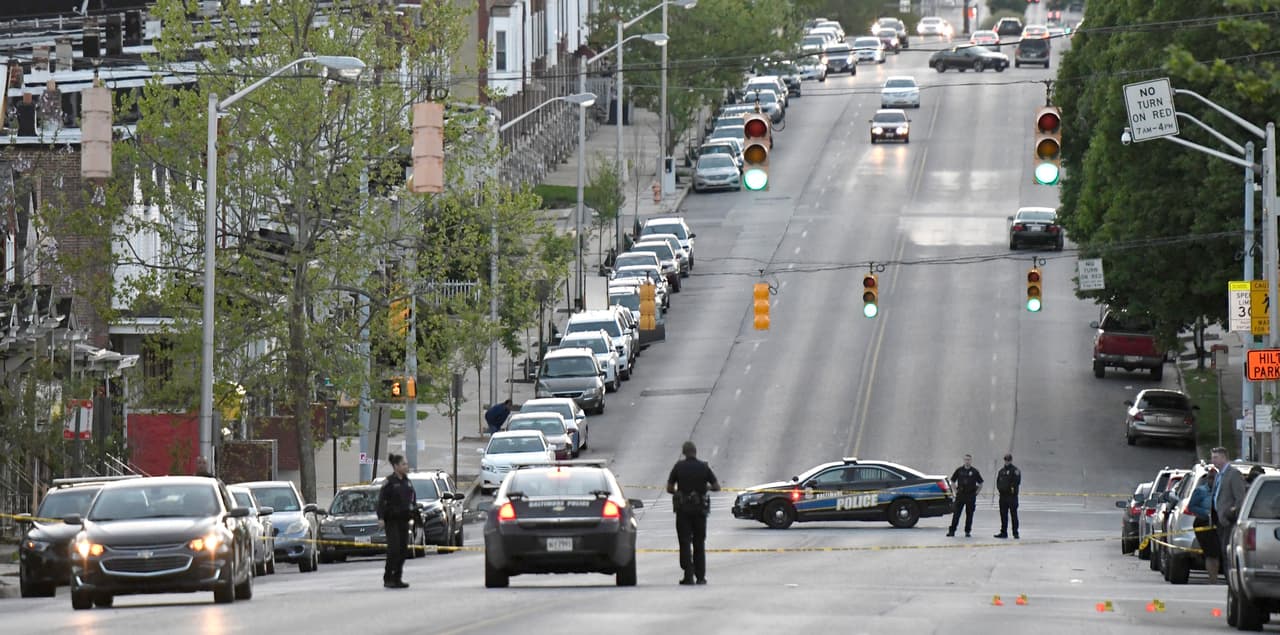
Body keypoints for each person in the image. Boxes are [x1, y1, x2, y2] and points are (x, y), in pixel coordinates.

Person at [667, 441, 720, 585]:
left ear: (684, 452)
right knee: (699, 543)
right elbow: (716, 486)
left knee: (684, 542)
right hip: (699, 510)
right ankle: (700, 576)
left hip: (683, 510)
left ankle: (688, 574)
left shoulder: (679, 467)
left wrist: (679, 492)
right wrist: (706, 488)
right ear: (695, 452)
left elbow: (669, 488)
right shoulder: (703, 467)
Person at [376, 453, 416, 589]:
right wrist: (381, 518)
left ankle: (397, 577)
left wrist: (414, 511)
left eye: (406, 464)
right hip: (392, 520)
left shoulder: (407, 481)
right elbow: (381, 501)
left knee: (403, 550)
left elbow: (412, 499)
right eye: (403, 464)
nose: (406, 466)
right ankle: (388, 577)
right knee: (394, 549)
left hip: (404, 520)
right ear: (396, 466)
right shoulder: (389, 482)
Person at [1211, 446, 1247, 559]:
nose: (1213, 461)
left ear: (1223, 458)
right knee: (1222, 552)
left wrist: (1232, 513)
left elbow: (1240, 498)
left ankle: (1229, 571)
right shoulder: (1218, 475)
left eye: (1215, 457)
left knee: (1227, 551)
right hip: (1219, 520)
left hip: (1229, 521)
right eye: (1212, 458)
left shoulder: (1234, 474)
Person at [1189, 467, 1221, 584]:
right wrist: (1206, 513)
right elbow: (1191, 506)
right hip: (1204, 523)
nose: (1212, 480)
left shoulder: (1221, 492)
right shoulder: (1200, 491)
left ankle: (1215, 578)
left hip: (1218, 524)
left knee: (1217, 553)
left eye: (1214, 478)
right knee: (1211, 553)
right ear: (1207, 479)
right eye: (1210, 478)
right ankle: (1213, 579)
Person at [947, 454, 983, 537]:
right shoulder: (959, 470)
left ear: (971, 461)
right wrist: (955, 491)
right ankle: (952, 531)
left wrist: (976, 493)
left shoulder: (975, 471)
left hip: (970, 496)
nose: (967, 461)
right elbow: (952, 481)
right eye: (966, 459)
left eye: (969, 460)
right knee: (956, 514)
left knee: (969, 515)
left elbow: (981, 483)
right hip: (960, 495)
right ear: (964, 460)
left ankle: (967, 531)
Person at [993, 453, 1021, 539]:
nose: (1007, 461)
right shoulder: (1001, 471)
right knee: (1003, 515)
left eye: (1008, 460)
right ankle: (1003, 532)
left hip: (1011, 496)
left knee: (1013, 515)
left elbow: (1017, 482)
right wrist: (1000, 489)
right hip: (1003, 496)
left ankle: (1015, 532)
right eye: (1006, 460)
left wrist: (1010, 489)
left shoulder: (1015, 470)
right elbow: (998, 482)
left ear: (1011, 460)